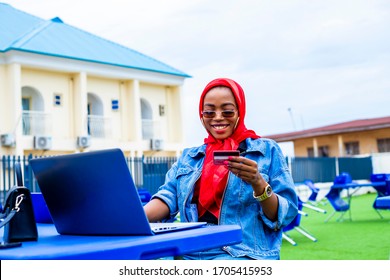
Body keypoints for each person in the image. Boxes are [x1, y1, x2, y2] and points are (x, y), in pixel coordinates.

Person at [144, 78, 298, 260]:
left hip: (243, 253)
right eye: (209, 112)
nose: (218, 117)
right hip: (190, 252)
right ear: (201, 116)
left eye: (227, 111)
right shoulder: (189, 157)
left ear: (240, 112)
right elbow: (167, 198)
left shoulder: (266, 151)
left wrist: (258, 183)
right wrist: (134, 218)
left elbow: (286, 215)